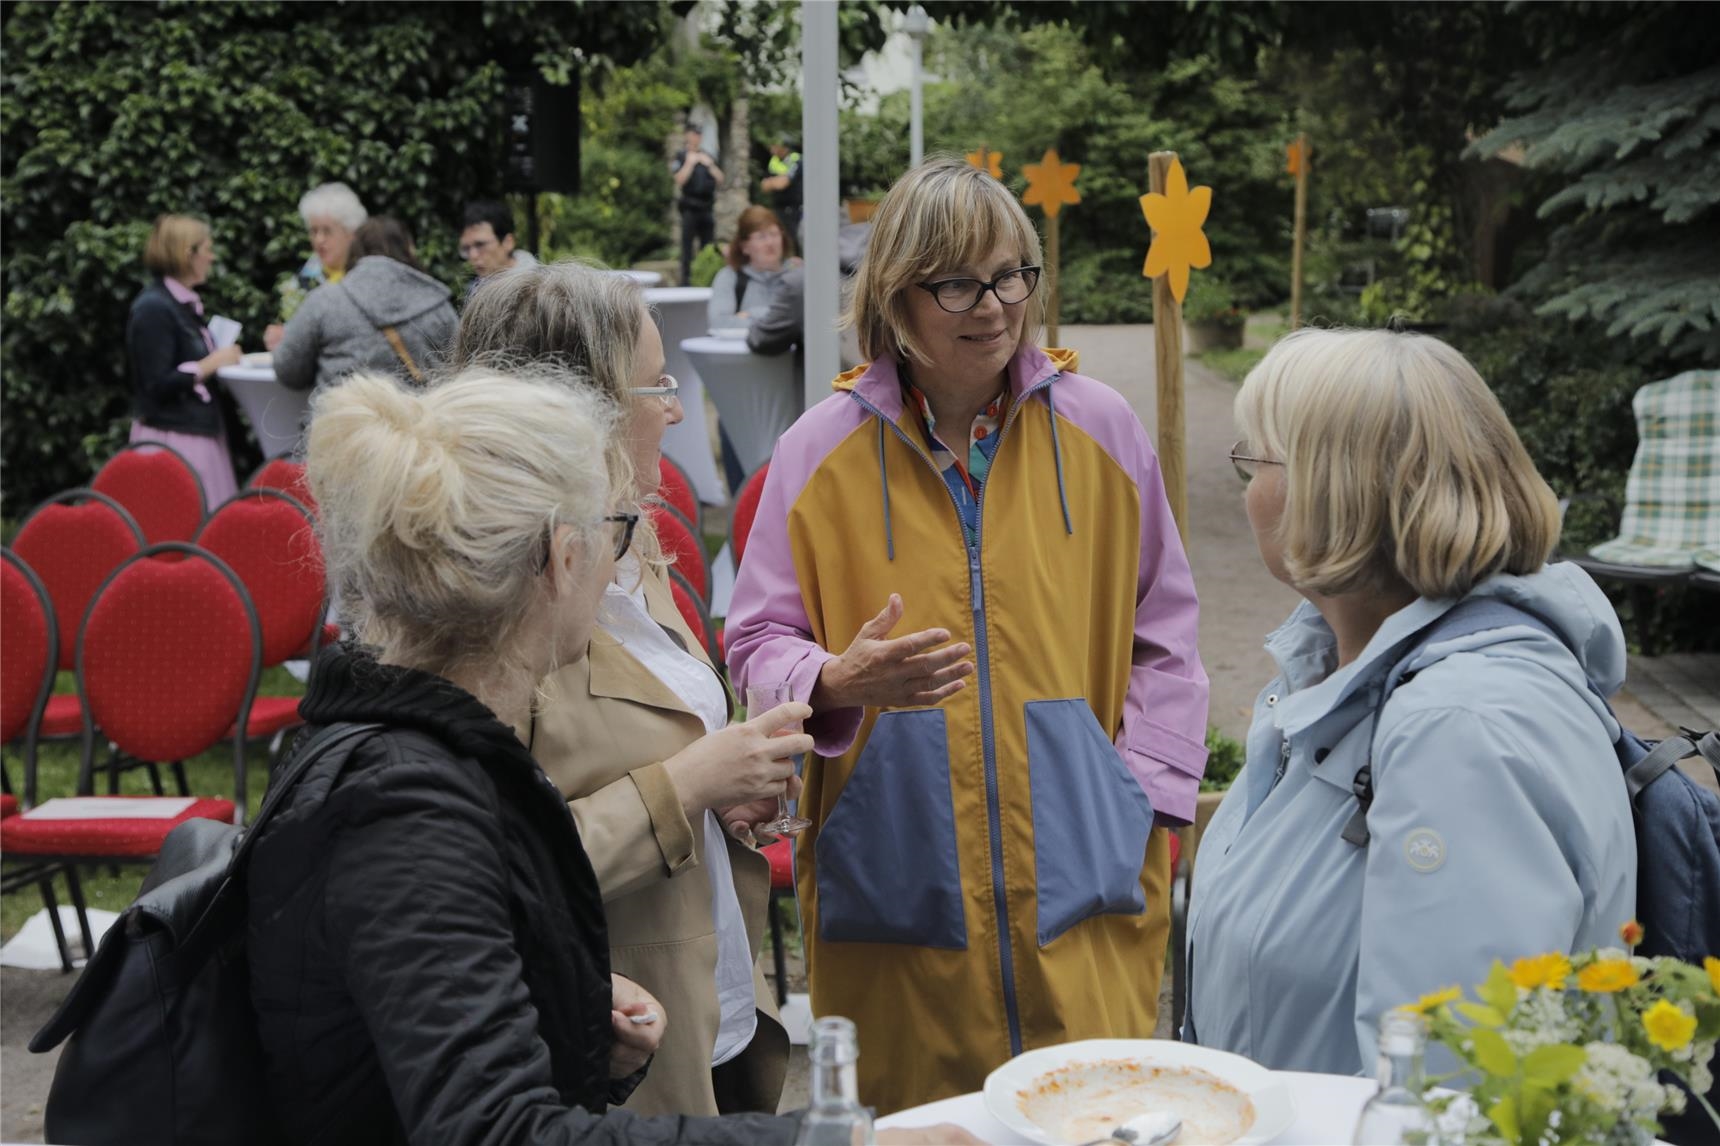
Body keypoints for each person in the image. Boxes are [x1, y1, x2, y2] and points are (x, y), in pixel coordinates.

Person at [249, 363, 973, 1146]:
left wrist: (566, 1028)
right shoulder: (408, 811)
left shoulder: (426, 756)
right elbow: (501, 1133)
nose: (621, 565)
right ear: (563, 559)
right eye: (617, 532)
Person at [725, 156, 1211, 1114]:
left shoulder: (1105, 431)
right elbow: (755, 640)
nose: (994, 305)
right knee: (921, 1131)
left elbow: (1168, 633)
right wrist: (830, 680)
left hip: (1085, 880)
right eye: (957, 282)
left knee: (1090, 1117)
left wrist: (1140, 799)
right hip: (892, 891)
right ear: (897, 296)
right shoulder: (815, 451)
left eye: (1011, 275)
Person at [1184, 328, 1636, 1076]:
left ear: (1332, 493)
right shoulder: (1348, 671)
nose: (1247, 490)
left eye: (1253, 460)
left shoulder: (1460, 730)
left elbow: (1449, 1088)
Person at [448, 263, 797, 1119]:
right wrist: (692, 784)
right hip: (606, 1053)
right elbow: (480, 872)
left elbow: (655, 729)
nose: (676, 410)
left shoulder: (626, 535)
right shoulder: (481, 610)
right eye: (659, 384)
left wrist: (729, 792)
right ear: (586, 408)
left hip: (711, 1008)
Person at [125, 213, 242, 509]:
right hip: (173, 442)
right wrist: (210, 363)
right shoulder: (153, 308)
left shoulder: (181, 303)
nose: (212, 258)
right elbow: (156, 384)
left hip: (195, 434)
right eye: (207, 249)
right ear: (187, 254)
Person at [265, 217, 456, 392]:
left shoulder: (324, 301)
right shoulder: (436, 300)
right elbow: (461, 368)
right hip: (425, 425)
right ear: (408, 249)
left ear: (355, 250)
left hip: (344, 426)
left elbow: (288, 372)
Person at [706, 205, 798, 333]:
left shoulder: (797, 277)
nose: (770, 243)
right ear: (744, 247)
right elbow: (719, 323)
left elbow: (805, 321)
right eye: (761, 237)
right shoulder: (729, 277)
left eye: (774, 234)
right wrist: (777, 320)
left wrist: (750, 314)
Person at [672, 124, 722, 285]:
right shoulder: (681, 156)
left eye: (699, 134)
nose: (697, 137)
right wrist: (690, 163)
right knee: (687, 247)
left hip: (706, 207)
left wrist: (710, 165)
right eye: (694, 134)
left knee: (708, 247)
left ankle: (706, 279)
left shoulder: (707, 156)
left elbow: (721, 179)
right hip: (690, 207)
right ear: (687, 135)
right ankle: (685, 282)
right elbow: (679, 180)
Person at [295, 182, 367, 290]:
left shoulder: (368, 275)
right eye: (314, 231)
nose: (319, 240)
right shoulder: (302, 280)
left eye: (327, 231)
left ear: (350, 233)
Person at [460, 200, 539, 286]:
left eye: (480, 245)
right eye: (466, 248)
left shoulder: (538, 287)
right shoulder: (475, 287)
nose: (473, 255)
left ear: (508, 242)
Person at [760, 137, 802, 243]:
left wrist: (773, 182)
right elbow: (764, 186)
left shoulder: (795, 159)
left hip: (792, 209)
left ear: (784, 148)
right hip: (777, 207)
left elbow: (782, 184)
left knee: (791, 239)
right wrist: (777, 181)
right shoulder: (774, 161)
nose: (771, 148)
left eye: (775, 145)